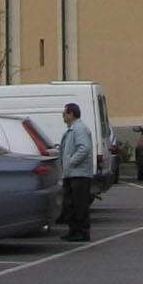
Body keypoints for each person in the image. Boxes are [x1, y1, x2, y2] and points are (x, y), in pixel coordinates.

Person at [58, 102, 94, 243]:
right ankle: (73, 230)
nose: (63, 116)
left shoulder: (79, 129)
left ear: (71, 114)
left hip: (79, 174)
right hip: (71, 174)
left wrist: (71, 162)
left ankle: (82, 232)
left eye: (64, 113)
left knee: (79, 205)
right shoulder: (72, 129)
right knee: (69, 204)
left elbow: (84, 148)